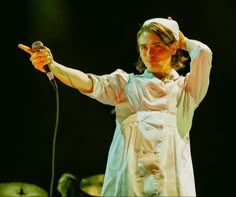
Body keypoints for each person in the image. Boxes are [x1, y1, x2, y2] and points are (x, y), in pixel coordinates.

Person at [18, 16, 213, 196]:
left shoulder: (186, 90)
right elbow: (87, 82)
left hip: (172, 186)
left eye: (157, 45)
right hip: (130, 184)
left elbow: (203, 53)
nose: (149, 53)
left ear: (174, 48)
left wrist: (183, 39)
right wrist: (53, 65)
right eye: (143, 47)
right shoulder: (126, 83)